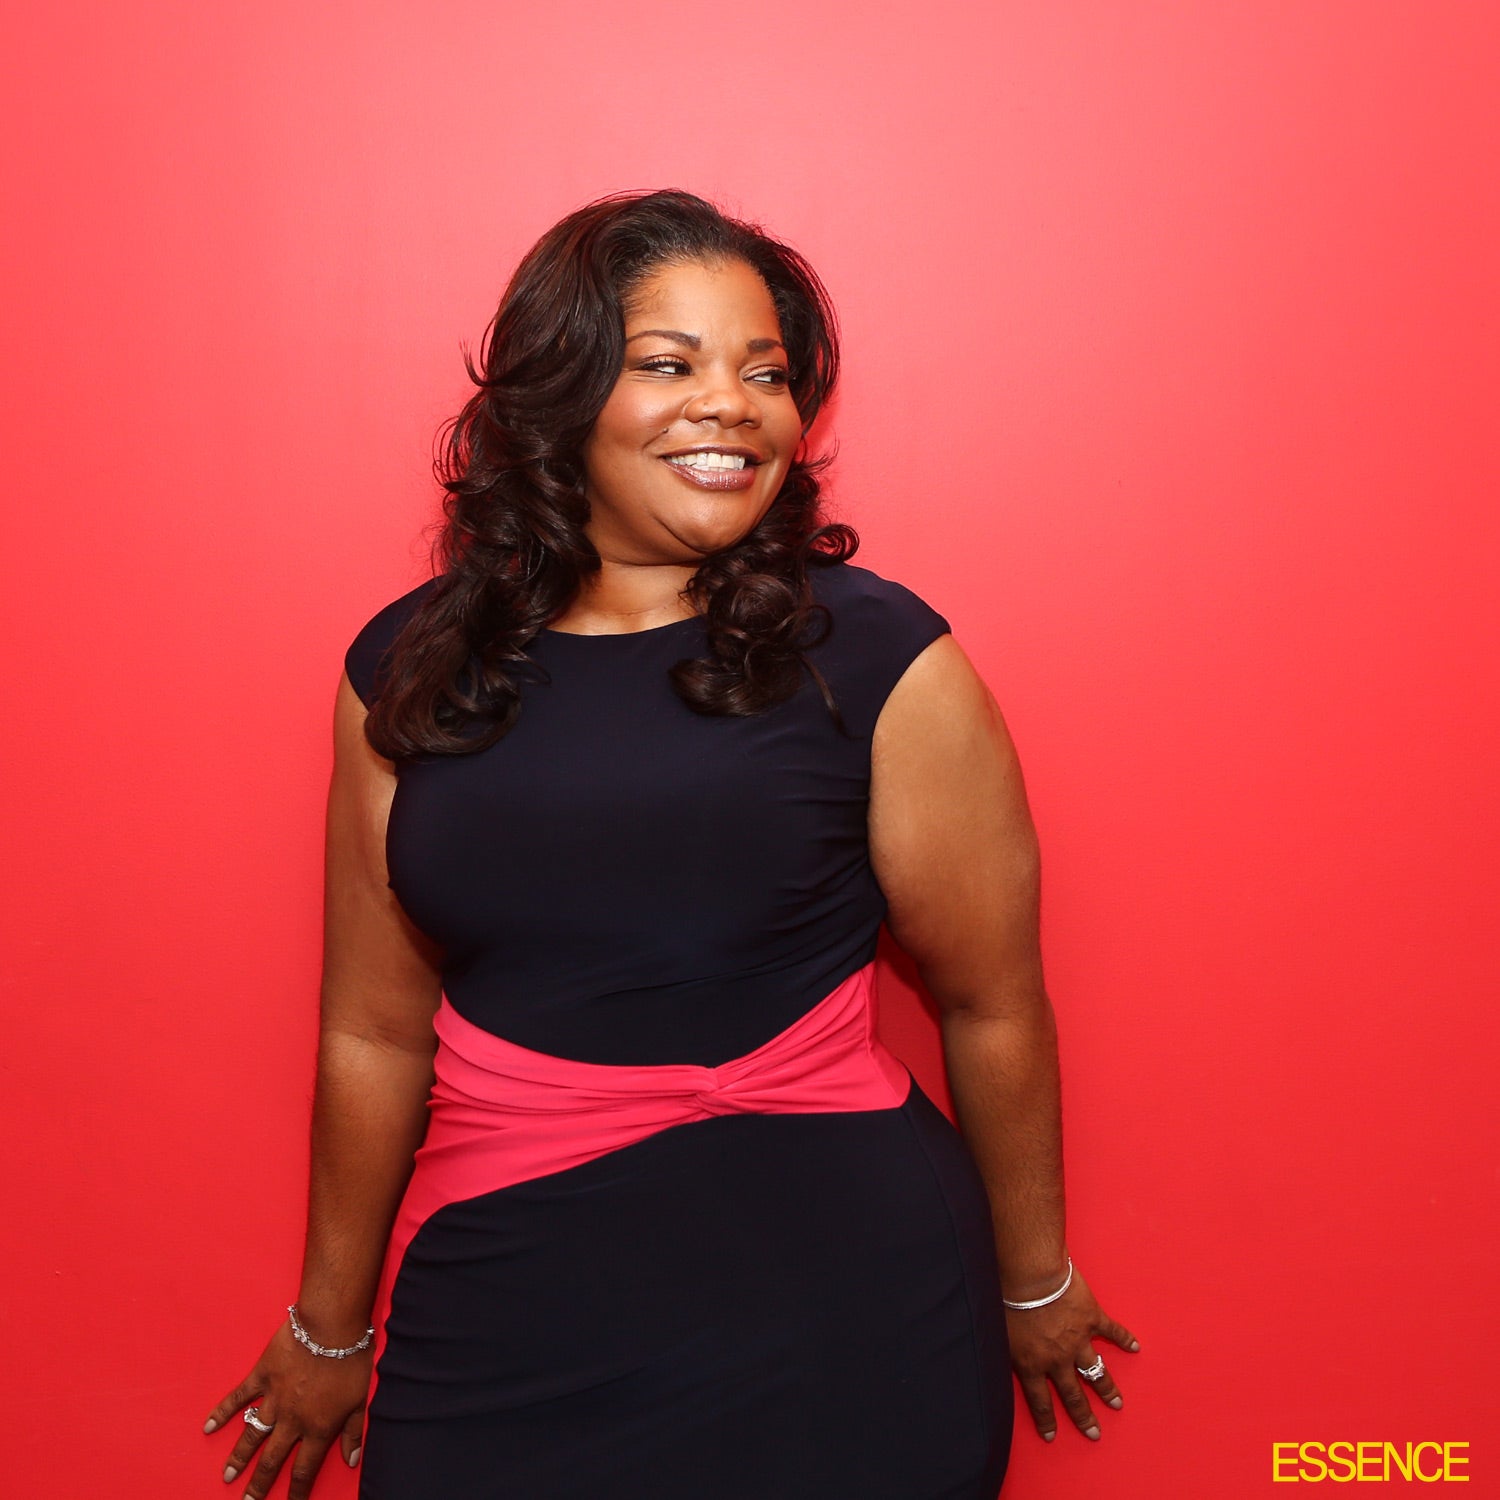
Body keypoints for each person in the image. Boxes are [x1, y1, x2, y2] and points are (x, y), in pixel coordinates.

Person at [205, 189, 1137, 1500]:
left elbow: (991, 1002)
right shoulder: (408, 671)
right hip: (506, 1297)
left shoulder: (880, 656)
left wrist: (1033, 1280)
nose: (731, 406)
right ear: (562, 393)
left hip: (847, 1314)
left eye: (765, 373)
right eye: (669, 363)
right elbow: (372, 1031)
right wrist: (329, 1327)